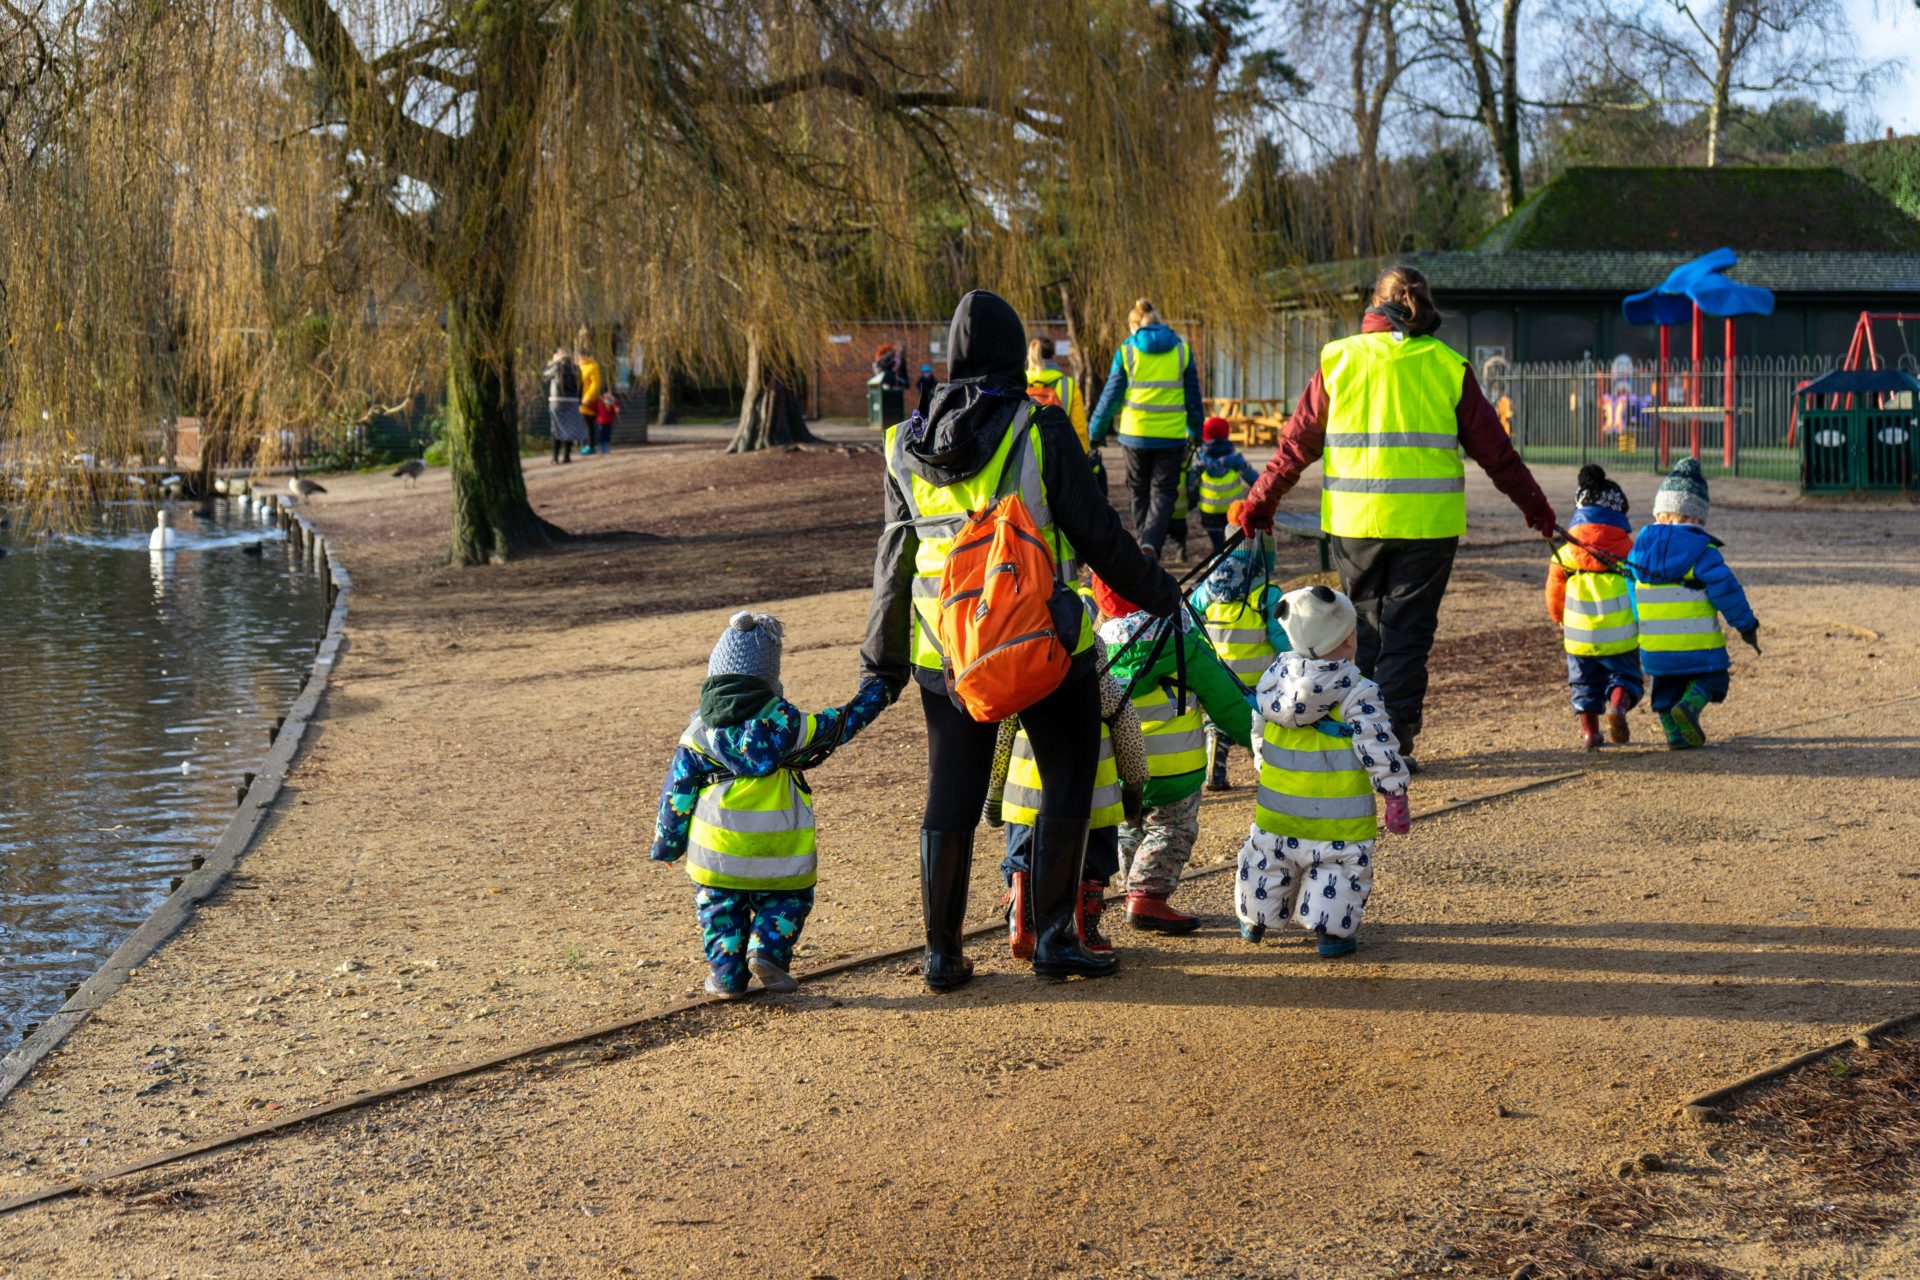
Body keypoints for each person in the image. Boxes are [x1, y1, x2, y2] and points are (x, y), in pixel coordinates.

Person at [861, 290, 1179, 990]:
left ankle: (942, 955)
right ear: (1012, 353)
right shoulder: (1040, 427)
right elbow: (1098, 536)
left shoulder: (902, 442)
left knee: (952, 790)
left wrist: (879, 664)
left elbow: (893, 565)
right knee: (1067, 772)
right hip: (1041, 642)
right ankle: (1056, 938)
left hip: (942, 653)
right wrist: (1160, 591)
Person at [1236, 265, 1556, 768]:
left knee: (1358, 626)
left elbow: (1297, 444)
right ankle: (1394, 738)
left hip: (1354, 521)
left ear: (1373, 304)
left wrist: (1260, 501)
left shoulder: (1339, 359)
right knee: (1408, 633)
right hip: (1428, 526)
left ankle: (1352, 734)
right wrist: (1537, 511)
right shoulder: (1448, 366)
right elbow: (1498, 455)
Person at [651, 612, 893, 997]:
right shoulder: (792, 728)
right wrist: (879, 690)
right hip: (781, 854)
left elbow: (677, 795)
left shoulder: (698, 734)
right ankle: (768, 952)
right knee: (786, 901)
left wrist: (667, 845)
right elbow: (843, 723)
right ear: (769, 679)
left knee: (720, 912)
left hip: (717, 856)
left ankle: (728, 977)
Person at [1233, 586, 1410, 957]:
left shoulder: (1274, 681)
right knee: (1339, 873)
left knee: (1266, 860)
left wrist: (1261, 759)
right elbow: (1377, 744)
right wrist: (1393, 792)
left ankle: (1255, 917)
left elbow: (1258, 726)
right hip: (1339, 821)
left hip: (1278, 810)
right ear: (1349, 639)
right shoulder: (1357, 692)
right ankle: (1331, 932)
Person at [1092, 571, 1253, 934]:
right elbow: (1227, 703)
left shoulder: (1095, 647)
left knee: (1130, 825)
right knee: (1172, 829)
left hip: (1118, 768)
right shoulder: (1180, 642)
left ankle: (1134, 885)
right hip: (1176, 768)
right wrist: (1262, 741)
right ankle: (1147, 896)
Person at [983, 631, 1149, 960]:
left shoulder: (1018, 681)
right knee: (1092, 863)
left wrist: (994, 793)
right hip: (1093, 802)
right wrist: (1133, 789)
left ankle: (1023, 920)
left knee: (1024, 858)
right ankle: (1087, 929)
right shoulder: (1101, 682)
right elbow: (1128, 729)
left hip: (1025, 798)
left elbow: (1001, 737)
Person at [1625, 459, 1760, 749]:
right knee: (1713, 679)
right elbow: (1728, 591)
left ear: (1659, 514)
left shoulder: (1638, 551)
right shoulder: (1703, 552)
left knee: (1664, 691)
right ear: (1698, 519)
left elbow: (1631, 589)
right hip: (1699, 645)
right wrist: (1746, 625)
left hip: (1656, 645)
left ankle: (1674, 736)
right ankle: (1691, 705)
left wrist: (1641, 618)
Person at [1089, 299, 1204, 562]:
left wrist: (1096, 431)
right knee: (1163, 493)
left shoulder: (1127, 351)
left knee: (1138, 491)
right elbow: (1193, 400)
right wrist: (1197, 433)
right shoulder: (1182, 351)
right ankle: (1150, 544)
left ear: (1134, 325)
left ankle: (1144, 549)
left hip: (1134, 434)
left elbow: (1110, 397)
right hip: (1171, 436)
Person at [1545, 465, 1640, 749]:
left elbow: (1554, 591)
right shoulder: (1629, 550)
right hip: (1620, 632)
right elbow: (1641, 590)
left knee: (1584, 684)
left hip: (1578, 634)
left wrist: (1557, 616)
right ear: (1619, 514)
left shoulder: (1566, 553)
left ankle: (1590, 733)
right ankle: (1618, 706)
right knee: (1625, 676)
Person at [1190, 542, 1288, 790]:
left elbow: (1190, 618)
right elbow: (1278, 635)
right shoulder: (1266, 591)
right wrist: (1293, 657)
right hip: (1258, 673)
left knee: (1220, 717)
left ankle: (1215, 761)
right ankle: (1266, 765)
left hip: (1220, 672)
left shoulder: (1208, 587)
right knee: (1261, 720)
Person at [1194, 417, 1259, 554]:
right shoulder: (1234, 457)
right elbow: (1252, 477)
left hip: (1208, 507)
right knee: (1230, 539)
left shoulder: (1201, 457)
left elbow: (1191, 478)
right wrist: (1262, 489)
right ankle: (1229, 558)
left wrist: (1191, 496)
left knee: (1216, 540)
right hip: (1232, 508)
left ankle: (1218, 555)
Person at [1027, 337, 1089, 452]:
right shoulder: (1068, 385)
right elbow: (1079, 428)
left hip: (1025, 453)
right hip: (1058, 452)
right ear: (1053, 356)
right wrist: (1083, 455)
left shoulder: (1019, 382)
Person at [543, 346, 587, 464]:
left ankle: (555, 457)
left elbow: (545, 374)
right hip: (572, 401)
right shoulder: (576, 368)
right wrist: (580, 400)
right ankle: (567, 456)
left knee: (556, 427)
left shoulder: (556, 366)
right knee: (569, 427)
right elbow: (581, 385)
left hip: (557, 400)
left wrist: (553, 362)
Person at [577, 339, 606, 455]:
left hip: (587, 401)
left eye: (579, 357)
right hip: (580, 401)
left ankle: (590, 445)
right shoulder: (581, 367)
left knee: (588, 424)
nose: (578, 359)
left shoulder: (592, 367)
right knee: (584, 424)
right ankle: (585, 445)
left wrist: (588, 396)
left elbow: (595, 383)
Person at [592, 389, 622, 455]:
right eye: (607, 393)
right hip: (601, 421)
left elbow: (615, 410)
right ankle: (602, 448)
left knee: (607, 435)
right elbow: (594, 408)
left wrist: (617, 410)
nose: (608, 395)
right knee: (602, 435)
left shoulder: (612, 401)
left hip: (609, 421)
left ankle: (606, 448)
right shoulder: (600, 401)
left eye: (609, 393)